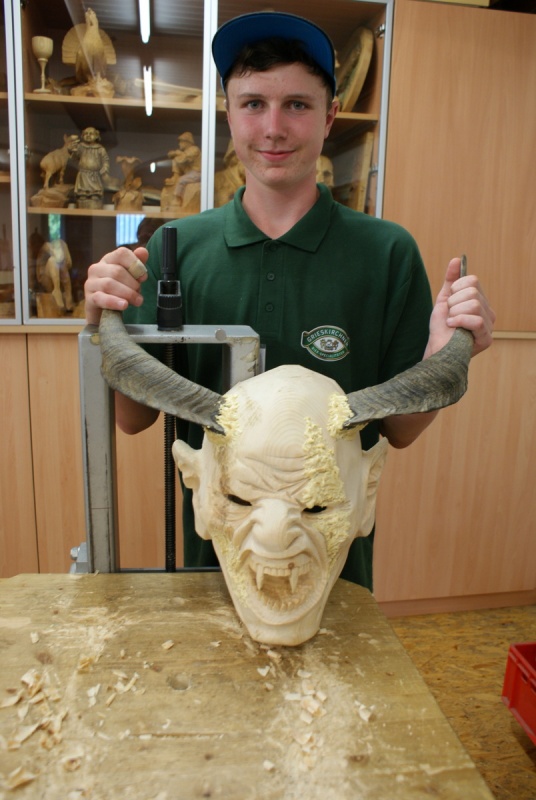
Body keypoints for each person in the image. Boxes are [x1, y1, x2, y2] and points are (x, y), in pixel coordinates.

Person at [84, 12, 495, 590]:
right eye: (253, 104)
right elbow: (133, 419)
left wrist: (443, 353)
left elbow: (399, 431)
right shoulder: (176, 248)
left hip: (332, 570)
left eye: (297, 105)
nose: (273, 128)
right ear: (230, 115)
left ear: (329, 117)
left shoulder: (387, 253)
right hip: (210, 566)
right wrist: (103, 324)